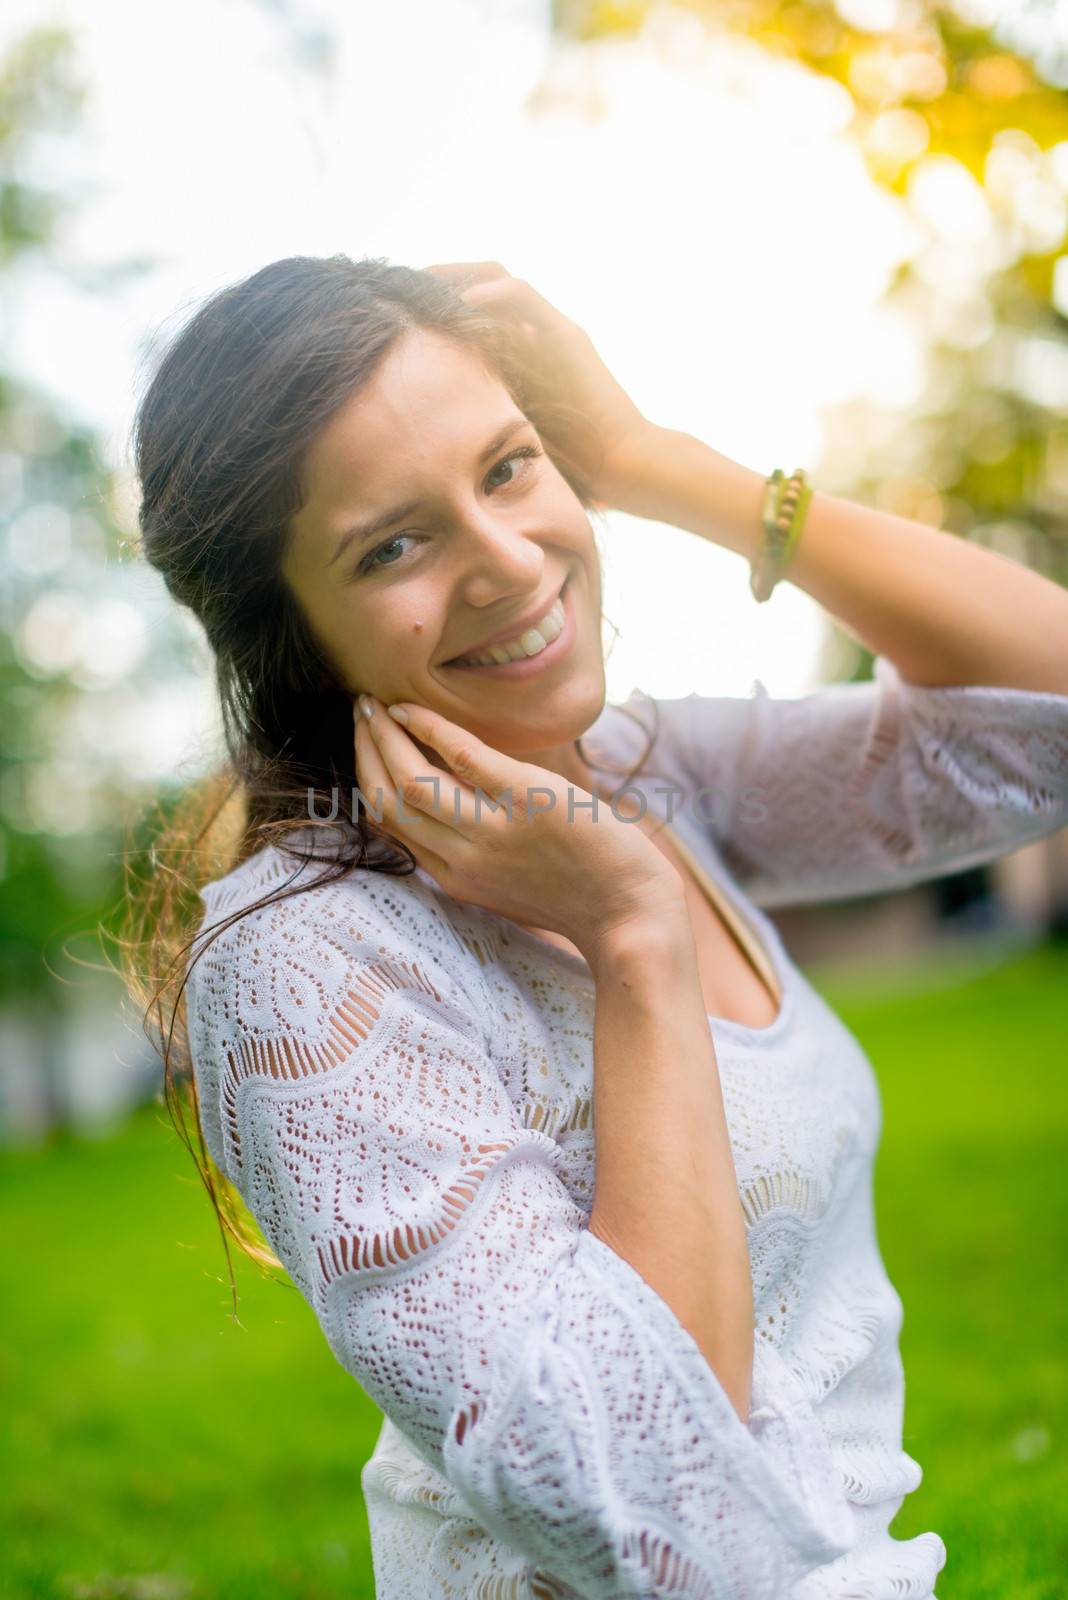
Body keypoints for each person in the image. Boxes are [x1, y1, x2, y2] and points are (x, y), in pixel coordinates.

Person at [128, 254, 1068, 1599]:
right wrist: (633, 935)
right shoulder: (304, 961)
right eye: (391, 544)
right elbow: (663, 1523)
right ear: (287, 631)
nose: (510, 561)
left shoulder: (644, 771)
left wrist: (650, 457)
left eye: (512, 468)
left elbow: (1045, 721)